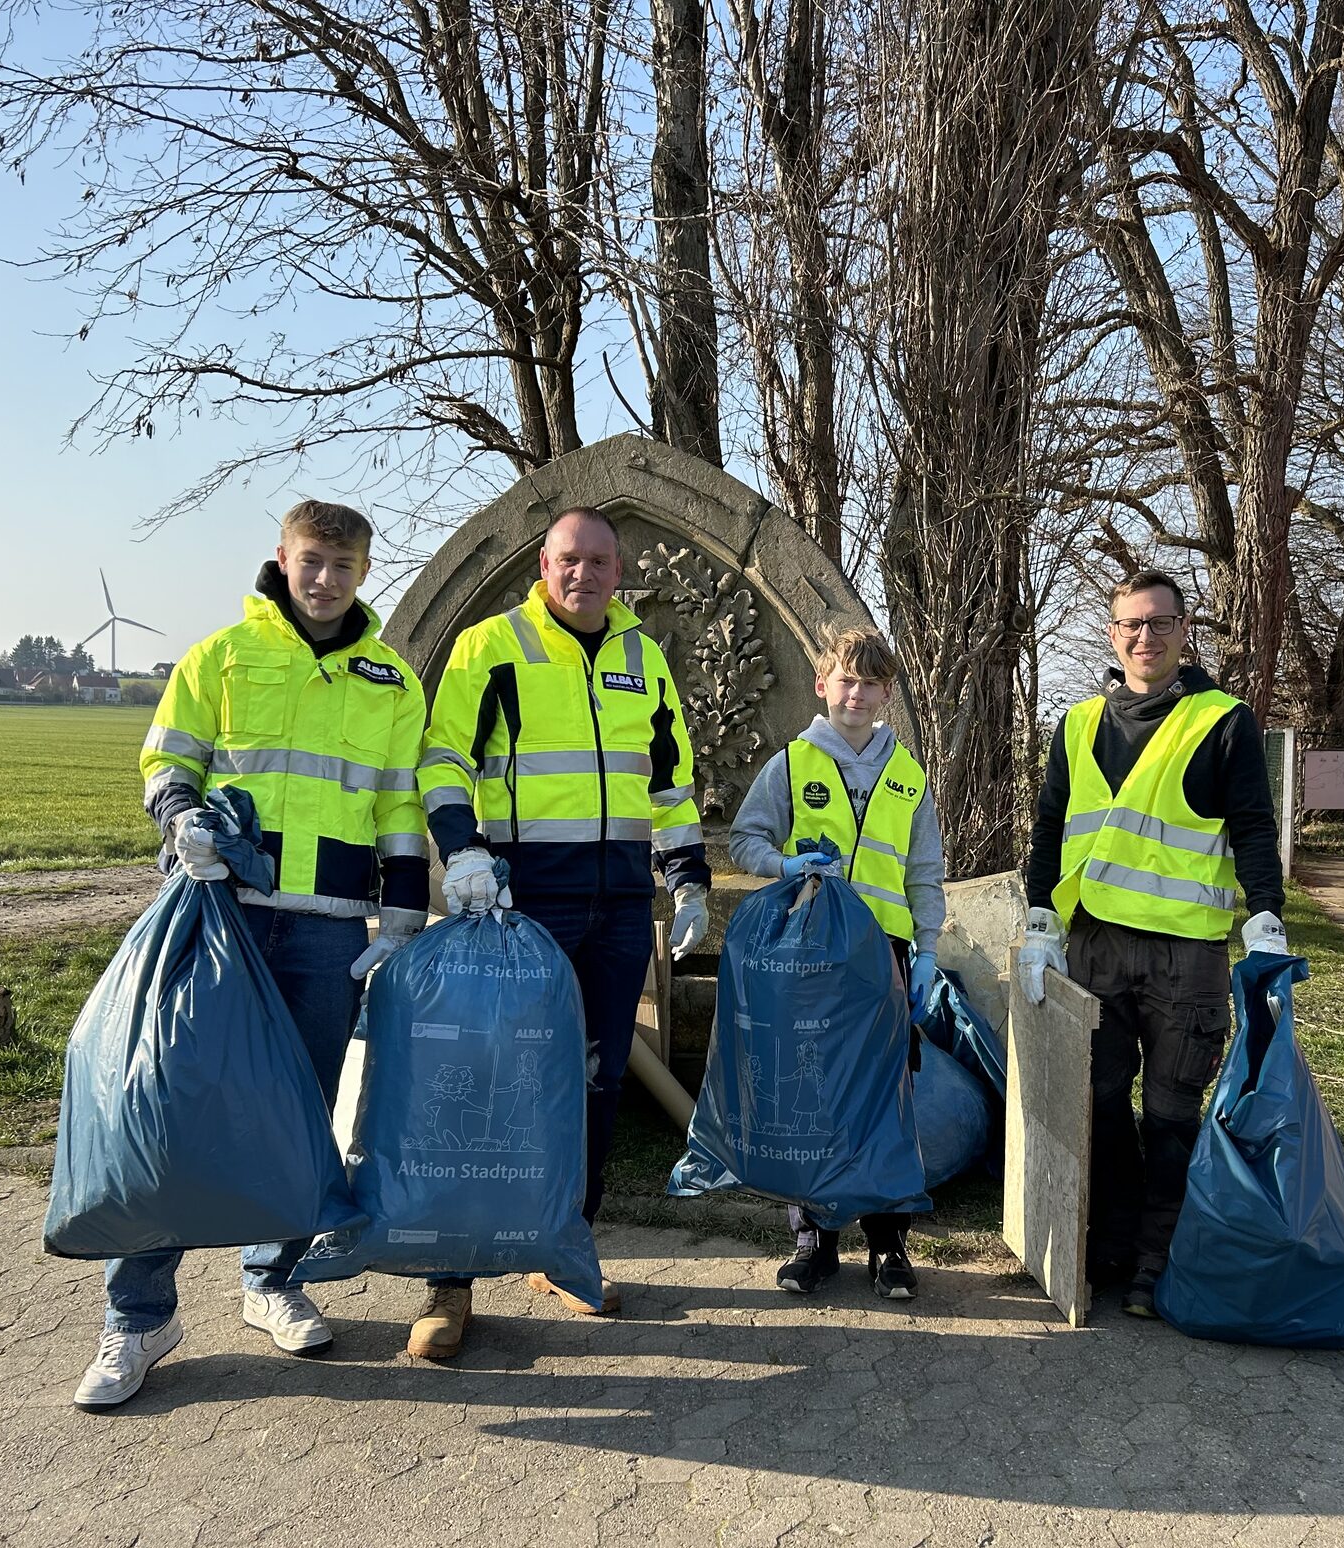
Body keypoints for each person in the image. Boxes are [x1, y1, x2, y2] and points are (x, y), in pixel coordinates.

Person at [73, 500, 431, 1410]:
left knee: (297, 1116)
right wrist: (182, 817)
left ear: (363, 572)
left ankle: (271, 1281)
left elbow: (397, 805)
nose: (326, 579)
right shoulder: (220, 656)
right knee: (170, 1108)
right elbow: (167, 760)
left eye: (344, 566)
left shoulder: (391, 677)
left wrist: (403, 914)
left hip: (326, 927)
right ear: (282, 558)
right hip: (219, 917)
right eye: (312, 561)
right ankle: (140, 1314)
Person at [411, 505, 713, 1356]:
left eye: (600, 561)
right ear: (542, 566)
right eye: (568, 559)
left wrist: (687, 883)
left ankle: (564, 1245)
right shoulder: (489, 647)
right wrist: (460, 853)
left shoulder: (643, 658)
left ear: (621, 571)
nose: (584, 573)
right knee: (488, 1082)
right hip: (517, 902)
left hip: (619, 906)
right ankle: (453, 1281)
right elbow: (441, 761)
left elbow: (671, 787)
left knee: (595, 1080)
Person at [1016, 571, 1286, 1320]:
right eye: (1132, 624)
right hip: (1093, 947)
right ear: (1112, 635)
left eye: (1161, 623)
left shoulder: (1223, 720)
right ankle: (1106, 1247)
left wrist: (1266, 917)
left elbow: (1254, 827)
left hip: (1184, 956)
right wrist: (1040, 921)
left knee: (1169, 1115)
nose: (1146, 637)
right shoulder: (1075, 725)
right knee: (1096, 1105)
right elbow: (1047, 829)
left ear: (1184, 629)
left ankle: (1155, 1264)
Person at [728, 623, 947, 1301]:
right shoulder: (791, 765)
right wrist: (784, 864)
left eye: (871, 682)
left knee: (885, 1098)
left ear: (887, 692)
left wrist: (930, 954)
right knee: (808, 1094)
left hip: (883, 958)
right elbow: (744, 840)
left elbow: (925, 873)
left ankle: (890, 1246)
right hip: (808, 957)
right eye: (845, 680)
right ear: (823, 684)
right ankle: (813, 1241)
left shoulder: (908, 775)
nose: (857, 693)